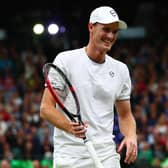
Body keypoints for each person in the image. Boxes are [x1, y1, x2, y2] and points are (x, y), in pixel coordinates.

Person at [40, 6, 137, 168]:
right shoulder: (65, 61)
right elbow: (46, 108)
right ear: (91, 27)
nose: (110, 36)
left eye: (114, 31)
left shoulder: (121, 70)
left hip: (106, 154)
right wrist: (69, 127)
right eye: (106, 29)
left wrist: (131, 135)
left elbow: (125, 115)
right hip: (70, 155)